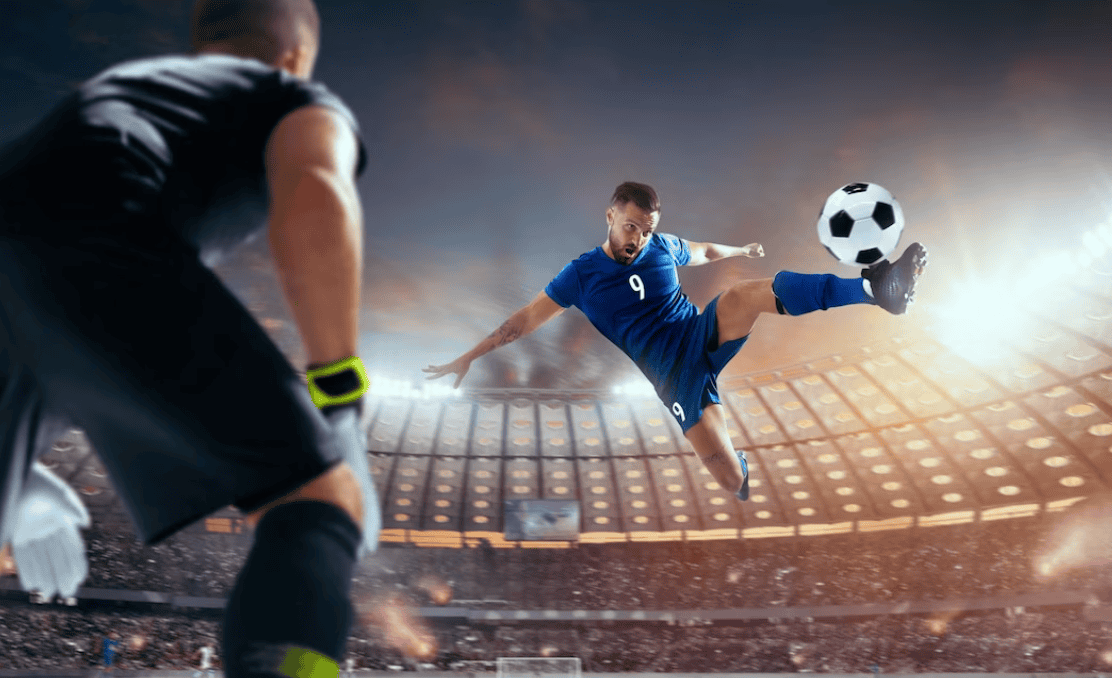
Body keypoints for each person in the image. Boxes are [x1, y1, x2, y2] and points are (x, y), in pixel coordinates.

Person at [0, 1, 380, 677]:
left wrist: (20, 475)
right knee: (320, 506)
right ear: (295, 53)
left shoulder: (116, 90)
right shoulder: (282, 91)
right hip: (94, 246)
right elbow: (316, 187)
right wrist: (341, 396)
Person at [424, 181, 926, 500]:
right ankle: (741, 470)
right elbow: (525, 321)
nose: (637, 238)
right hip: (674, 377)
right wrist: (469, 356)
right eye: (629, 226)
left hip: (700, 332)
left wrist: (740, 249)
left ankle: (876, 289)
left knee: (747, 294)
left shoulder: (661, 245)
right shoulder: (580, 275)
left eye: (645, 230)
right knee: (731, 482)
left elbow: (703, 250)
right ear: (609, 216)